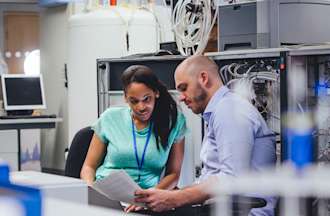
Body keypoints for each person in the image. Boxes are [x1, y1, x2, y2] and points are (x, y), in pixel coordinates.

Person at [135, 55, 277, 215]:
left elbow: (232, 179)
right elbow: (211, 178)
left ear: (203, 78)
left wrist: (173, 199)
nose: (181, 97)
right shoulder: (220, 111)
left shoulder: (229, 110)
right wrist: (166, 196)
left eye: (184, 88)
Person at [80, 65, 187, 212]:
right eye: (134, 101)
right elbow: (88, 167)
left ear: (156, 93)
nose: (141, 107)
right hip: (106, 196)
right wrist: (91, 190)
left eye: (146, 99)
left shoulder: (174, 121)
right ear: (125, 98)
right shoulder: (110, 118)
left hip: (148, 200)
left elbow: (174, 174)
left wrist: (151, 195)